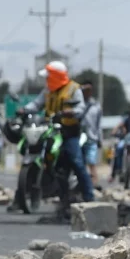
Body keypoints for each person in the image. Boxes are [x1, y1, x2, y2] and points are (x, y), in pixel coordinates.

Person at [24, 60, 94, 217]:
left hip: (69, 132)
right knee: (56, 165)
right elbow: (36, 104)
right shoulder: (48, 90)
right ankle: (60, 198)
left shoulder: (74, 89)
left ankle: (90, 198)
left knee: (76, 162)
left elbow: (80, 108)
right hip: (50, 130)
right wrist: (24, 110)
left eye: (49, 76)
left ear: (56, 76)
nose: (46, 80)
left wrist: (70, 112)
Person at [81, 82, 103, 172]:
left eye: (89, 90)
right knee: (79, 163)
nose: (87, 92)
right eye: (85, 90)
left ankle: (92, 184)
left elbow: (99, 125)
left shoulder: (96, 106)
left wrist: (100, 139)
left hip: (91, 138)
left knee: (91, 162)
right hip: (78, 138)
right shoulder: (76, 104)